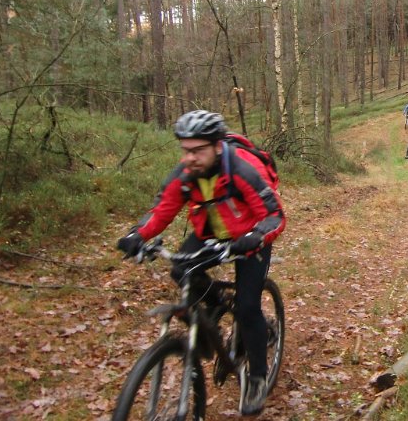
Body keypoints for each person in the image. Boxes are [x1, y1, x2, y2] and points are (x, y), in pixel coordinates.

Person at [117, 110, 285, 416]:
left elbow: (274, 214)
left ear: (217, 147)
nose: (190, 158)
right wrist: (136, 235)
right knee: (180, 270)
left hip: (250, 237)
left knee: (247, 306)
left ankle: (258, 377)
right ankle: (215, 312)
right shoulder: (185, 174)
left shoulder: (242, 170)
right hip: (210, 233)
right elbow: (161, 210)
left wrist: (256, 236)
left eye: (197, 151)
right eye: (185, 150)